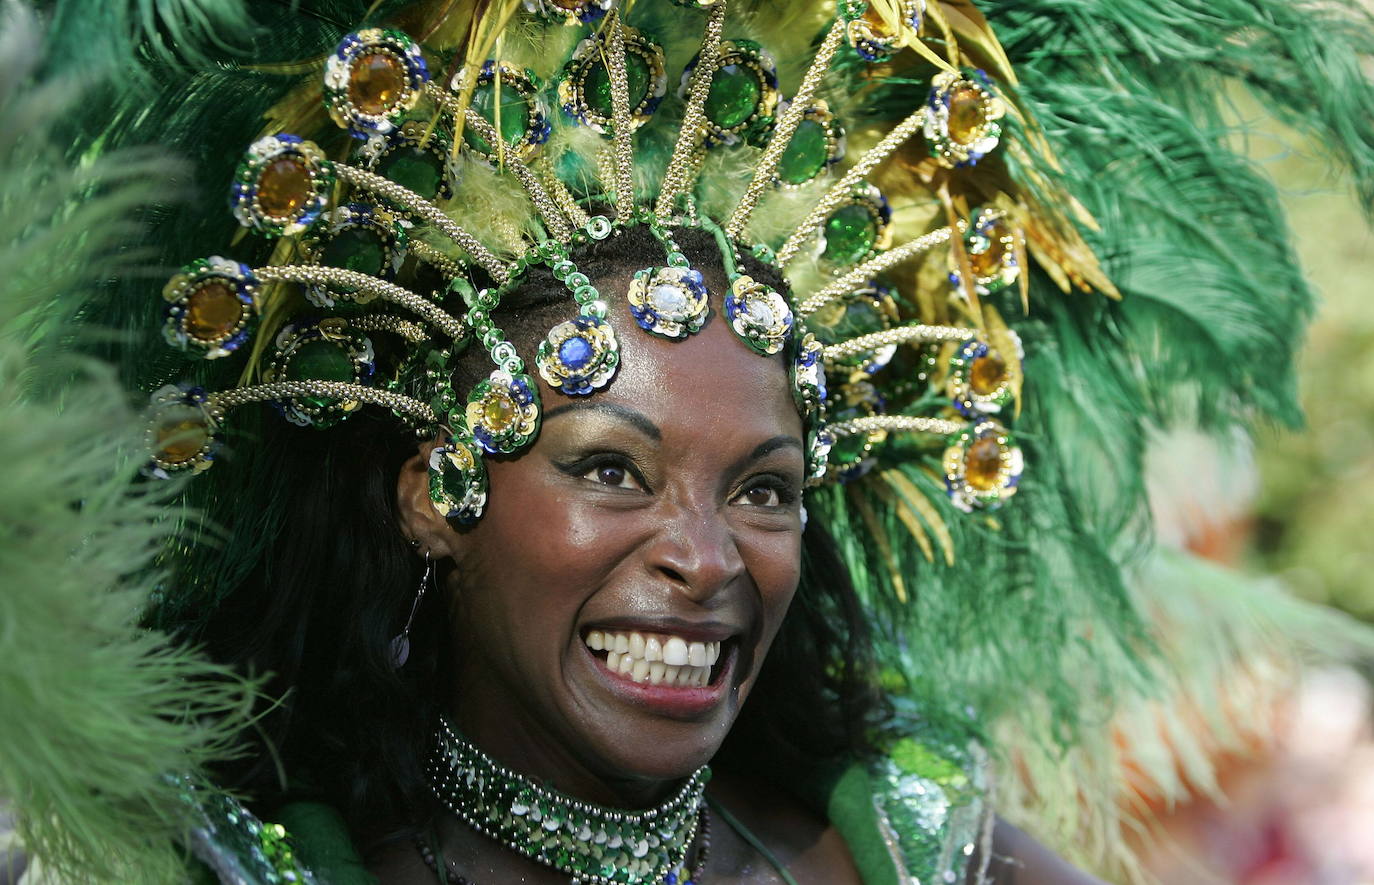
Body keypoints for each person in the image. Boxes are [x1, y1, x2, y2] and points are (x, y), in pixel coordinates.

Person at [4, 0, 1374, 883]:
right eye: (610, 468)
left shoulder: (918, 856)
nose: (706, 558)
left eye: (765, 489)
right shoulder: (248, 868)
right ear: (435, 493)